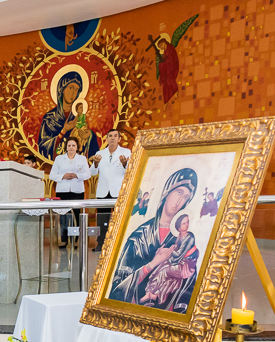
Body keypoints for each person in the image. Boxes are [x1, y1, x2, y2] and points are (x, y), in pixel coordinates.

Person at [109, 168, 198, 313]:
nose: (180, 201)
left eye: (186, 197)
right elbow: (118, 287)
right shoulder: (139, 237)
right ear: (167, 191)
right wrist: (152, 264)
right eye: (179, 192)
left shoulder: (185, 239)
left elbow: (189, 287)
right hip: (134, 312)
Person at [38, 72, 100, 159]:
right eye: (71, 88)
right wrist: (63, 131)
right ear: (62, 89)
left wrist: (89, 135)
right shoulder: (49, 118)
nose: (73, 93)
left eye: (76, 89)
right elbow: (43, 148)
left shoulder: (78, 115)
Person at [89, 129, 131, 251]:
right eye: (110, 136)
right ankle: (101, 244)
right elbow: (92, 173)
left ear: (119, 139)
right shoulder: (100, 153)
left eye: (115, 136)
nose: (112, 138)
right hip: (103, 191)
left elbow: (130, 171)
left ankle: (120, 245)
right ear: (106, 139)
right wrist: (95, 164)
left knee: (120, 219)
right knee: (102, 219)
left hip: (119, 191)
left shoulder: (126, 152)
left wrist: (125, 164)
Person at [49, 137, 90, 247]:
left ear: (77, 147)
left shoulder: (82, 159)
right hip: (62, 191)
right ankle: (64, 239)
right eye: (69, 145)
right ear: (66, 147)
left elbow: (88, 174)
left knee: (76, 216)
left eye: (73, 145)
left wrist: (77, 175)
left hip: (77, 191)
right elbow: (52, 175)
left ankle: (75, 240)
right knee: (63, 216)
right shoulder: (59, 159)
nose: (71, 147)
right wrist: (63, 176)